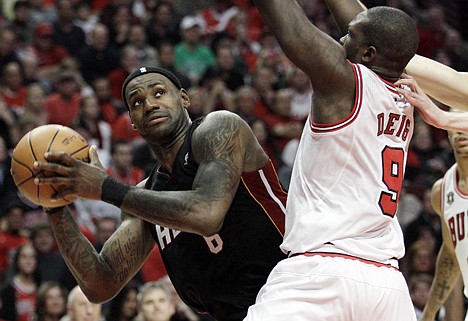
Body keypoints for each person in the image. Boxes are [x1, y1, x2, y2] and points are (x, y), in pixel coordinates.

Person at [33, 66, 287, 321]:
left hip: (291, 286)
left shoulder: (219, 128)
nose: (150, 104)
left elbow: (207, 213)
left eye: (159, 93)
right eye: (138, 101)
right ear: (132, 120)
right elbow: (100, 284)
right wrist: (53, 204)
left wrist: (105, 187)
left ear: (184, 98)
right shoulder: (144, 196)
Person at [243, 0, 419, 319]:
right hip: (388, 285)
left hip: (322, 271)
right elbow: (375, 32)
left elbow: (293, 27)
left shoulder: (344, 81)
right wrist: (359, 32)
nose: (341, 39)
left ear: (368, 54)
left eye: (348, 36)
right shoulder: (406, 92)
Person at [413, 110, 468, 321]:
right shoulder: (443, 191)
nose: (463, 130)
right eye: (456, 121)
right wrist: (429, 314)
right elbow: (451, 256)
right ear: (446, 129)